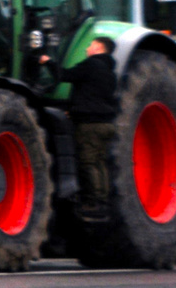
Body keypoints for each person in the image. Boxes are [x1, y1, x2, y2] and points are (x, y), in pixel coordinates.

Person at [41, 37, 120, 221]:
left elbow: (65, 75)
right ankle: (103, 202)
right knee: (100, 163)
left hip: (90, 125)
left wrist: (48, 62)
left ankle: (94, 203)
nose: (87, 49)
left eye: (90, 45)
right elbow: (92, 95)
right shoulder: (110, 73)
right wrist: (73, 109)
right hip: (106, 124)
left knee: (87, 162)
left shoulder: (91, 64)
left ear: (99, 47)